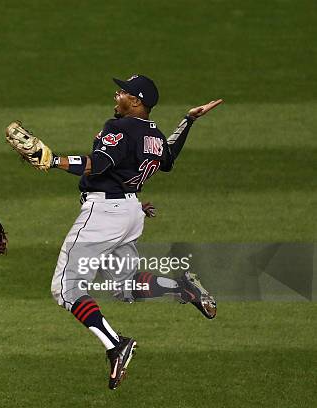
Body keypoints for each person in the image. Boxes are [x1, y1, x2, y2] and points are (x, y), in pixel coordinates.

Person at [46, 74, 222, 389]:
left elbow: (98, 164)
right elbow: (167, 159)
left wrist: (51, 160)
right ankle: (182, 288)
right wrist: (188, 121)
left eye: (123, 92)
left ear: (136, 101)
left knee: (65, 289)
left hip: (104, 214)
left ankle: (116, 345)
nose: (117, 95)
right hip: (131, 211)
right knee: (124, 285)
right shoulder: (154, 134)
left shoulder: (119, 127)